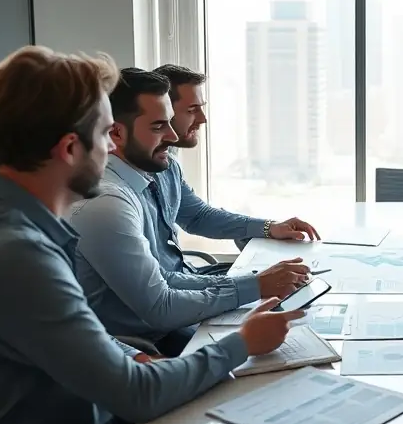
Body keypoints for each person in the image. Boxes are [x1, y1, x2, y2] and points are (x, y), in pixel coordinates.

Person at [0, 46, 304, 424]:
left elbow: (54, 332)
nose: (112, 150)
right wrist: (243, 343)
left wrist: (124, 352)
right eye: (105, 135)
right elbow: (138, 398)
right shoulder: (13, 253)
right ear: (69, 149)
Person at [71, 68, 312, 356]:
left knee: (293, 325)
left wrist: (255, 278)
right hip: (146, 342)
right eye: (160, 126)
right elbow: (160, 306)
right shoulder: (106, 202)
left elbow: (172, 270)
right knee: (278, 354)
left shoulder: (150, 169)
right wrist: (253, 286)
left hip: (169, 315)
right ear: (116, 133)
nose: (173, 136)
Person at [154, 62, 321, 250]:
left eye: (201, 108)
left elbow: (197, 216)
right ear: (164, 111)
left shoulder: (170, 164)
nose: (203, 119)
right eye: (192, 110)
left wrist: (269, 227)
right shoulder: (128, 183)